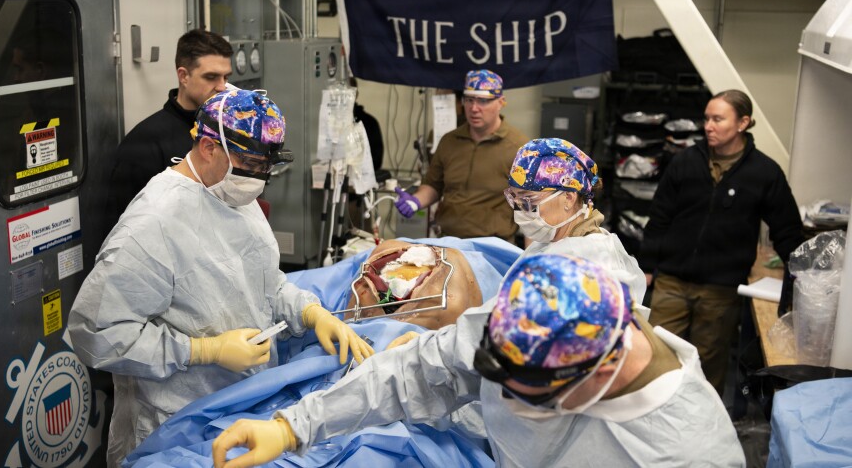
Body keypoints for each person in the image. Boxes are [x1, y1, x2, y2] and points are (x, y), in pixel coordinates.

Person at [68, 89, 374, 467]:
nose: (259, 178)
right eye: (251, 164)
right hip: (176, 426)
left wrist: (311, 313)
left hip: (243, 404)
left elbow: (264, 283)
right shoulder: (152, 224)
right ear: (209, 147)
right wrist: (204, 351)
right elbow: (97, 334)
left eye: (267, 166)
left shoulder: (231, 195)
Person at [211, 253, 744, 468]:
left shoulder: (689, 455)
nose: (507, 400)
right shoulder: (537, 309)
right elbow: (425, 369)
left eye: (529, 394)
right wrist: (293, 427)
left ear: (600, 374)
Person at [638, 89, 804, 394]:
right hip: (671, 282)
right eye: (706, 119)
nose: (708, 126)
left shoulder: (764, 173)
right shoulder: (685, 162)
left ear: (743, 123)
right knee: (656, 357)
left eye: (718, 119)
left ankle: (701, 421)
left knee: (706, 366)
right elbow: (659, 217)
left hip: (720, 290)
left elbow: (787, 230)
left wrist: (803, 277)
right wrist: (646, 267)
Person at [105, 28, 234, 229]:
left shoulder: (228, 130)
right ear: (183, 76)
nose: (222, 87)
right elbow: (123, 227)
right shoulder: (144, 144)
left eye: (225, 77)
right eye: (211, 77)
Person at [505, 138, 648, 307]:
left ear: (568, 198)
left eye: (529, 200)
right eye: (515, 199)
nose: (520, 210)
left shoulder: (589, 259)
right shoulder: (552, 242)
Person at [394, 69, 528, 242]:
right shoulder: (449, 141)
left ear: (501, 102)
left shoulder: (519, 147)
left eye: (483, 101)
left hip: (494, 245)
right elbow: (433, 185)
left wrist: (532, 253)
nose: (474, 108)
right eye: (469, 100)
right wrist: (415, 201)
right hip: (449, 241)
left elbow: (530, 205)